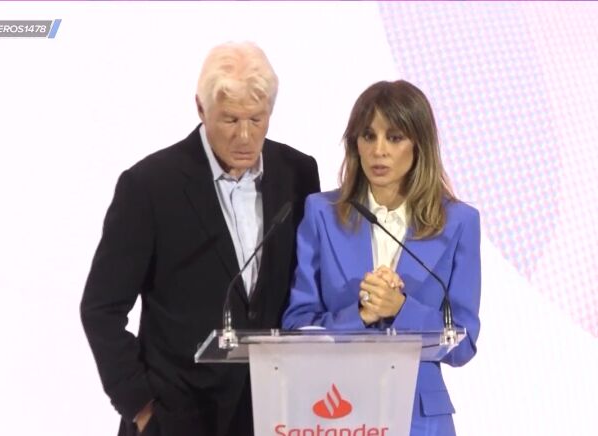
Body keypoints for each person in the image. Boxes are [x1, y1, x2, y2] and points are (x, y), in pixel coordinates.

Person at [81, 42, 320, 436]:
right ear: (200, 108)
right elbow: (101, 308)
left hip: (271, 414)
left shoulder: (298, 172)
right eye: (230, 120)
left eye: (257, 119)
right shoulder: (149, 186)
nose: (245, 136)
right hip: (176, 416)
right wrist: (141, 407)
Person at [282, 80, 481, 436]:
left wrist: (400, 309)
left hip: (422, 420)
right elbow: (297, 327)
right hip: (337, 413)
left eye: (394, 137)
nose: (379, 151)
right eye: (368, 136)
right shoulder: (322, 213)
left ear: (419, 144)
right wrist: (361, 315)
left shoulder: (459, 222)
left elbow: (462, 344)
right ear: (354, 144)